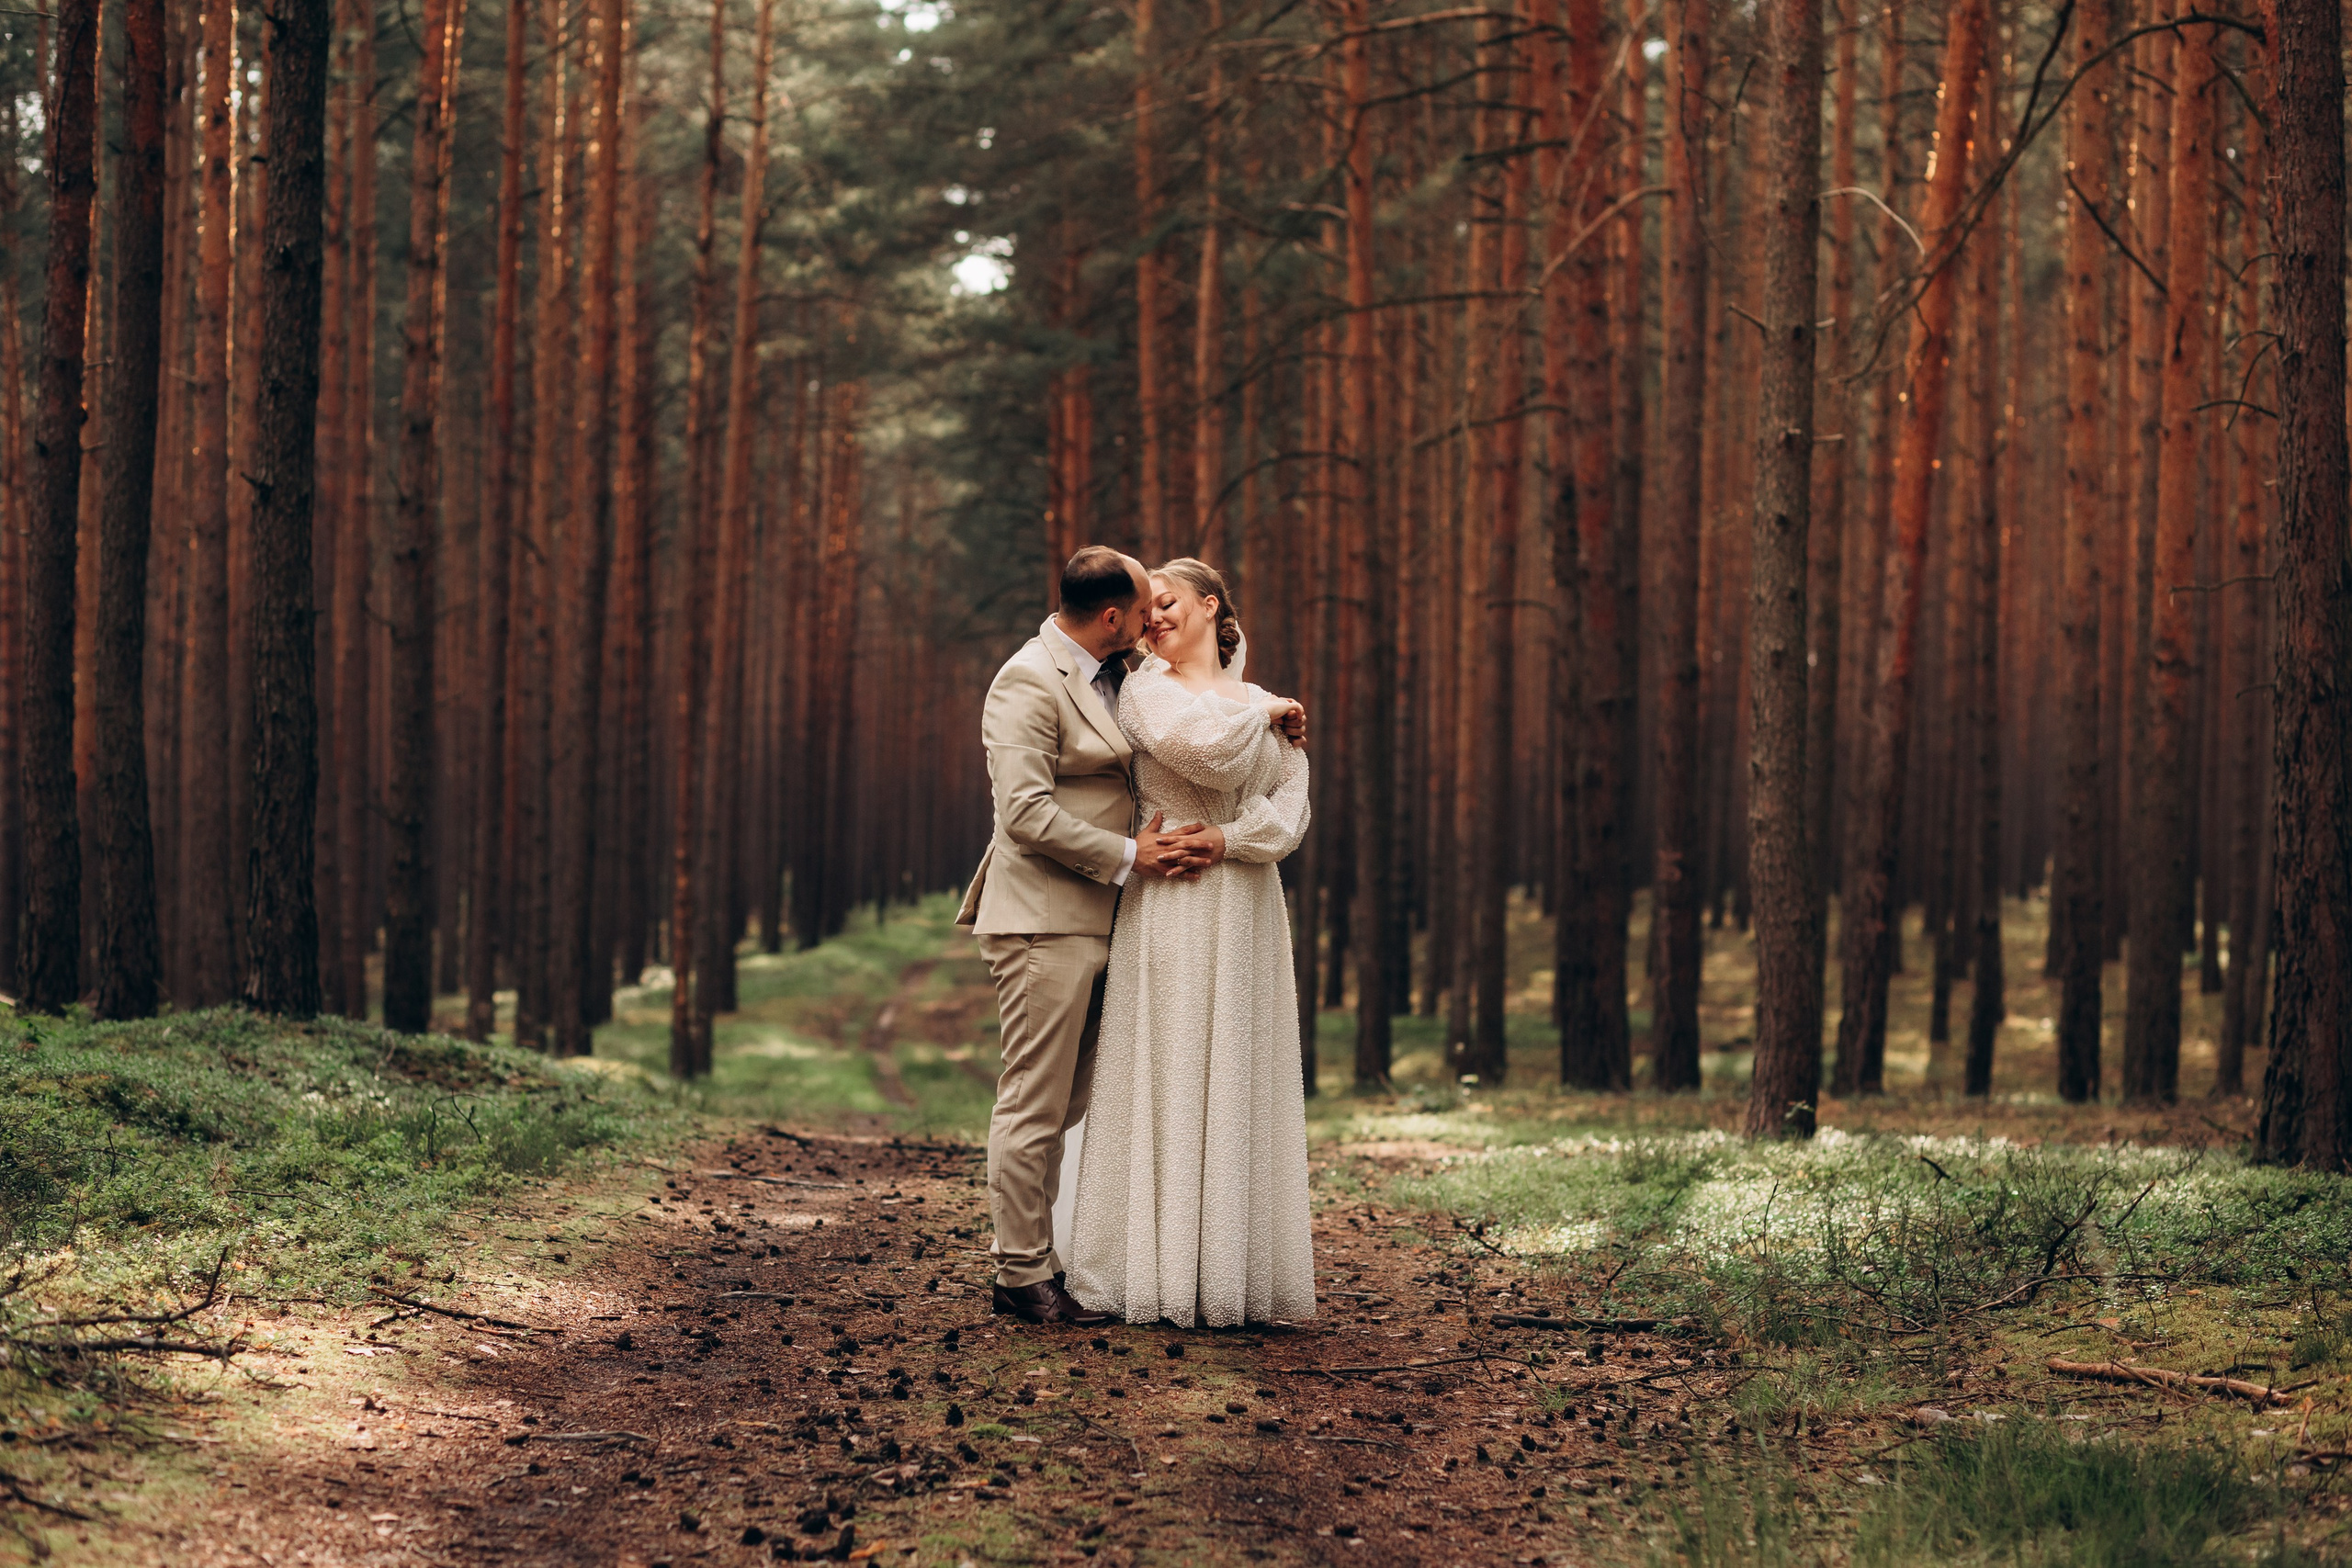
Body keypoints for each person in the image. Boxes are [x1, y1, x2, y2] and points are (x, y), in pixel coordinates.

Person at [958, 547, 1298, 1326]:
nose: (1153, 621)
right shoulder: (1027, 679)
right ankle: (1020, 1272)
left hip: (1112, 913)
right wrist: (1129, 854)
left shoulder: (1117, 674)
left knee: (1076, 1100)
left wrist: (1263, 711)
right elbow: (1025, 813)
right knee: (1035, 1102)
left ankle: (1062, 1253)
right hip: (1046, 916)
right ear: (1113, 615)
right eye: (1146, 608)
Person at [1064, 558, 1317, 1328]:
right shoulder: (1146, 692)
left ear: (1210, 605)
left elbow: (1292, 805)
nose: (1154, 618)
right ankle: (1151, 1269)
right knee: (1168, 1067)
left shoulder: (1261, 706)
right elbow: (1204, 753)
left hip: (1243, 901)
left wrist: (1232, 839)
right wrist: (1267, 712)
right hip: (1169, 903)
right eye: (1146, 610)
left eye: (1167, 603)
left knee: (1237, 1070)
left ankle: (1228, 1274)